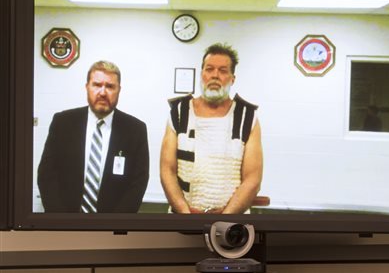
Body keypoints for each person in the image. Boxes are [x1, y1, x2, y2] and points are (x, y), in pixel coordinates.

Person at [160, 43, 263, 214]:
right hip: (182, 220)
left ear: (232, 78)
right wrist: (185, 215)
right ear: (202, 74)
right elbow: (167, 170)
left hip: (231, 224)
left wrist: (226, 217)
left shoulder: (248, 117)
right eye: (209, 69)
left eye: (223, 71)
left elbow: (252, 179)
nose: (215, 75)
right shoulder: (179, 112)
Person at [37, 60, 150, 213]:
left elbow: (138, 183)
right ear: (87, 87)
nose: (103, 92)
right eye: (97, 85)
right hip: (63, 223)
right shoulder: (63, 123)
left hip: (112, 228)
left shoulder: (135, 130)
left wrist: (115, 225)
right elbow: (47, 175)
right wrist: (60, 219)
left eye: (110, 86)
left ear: (119, 90)